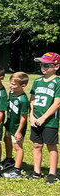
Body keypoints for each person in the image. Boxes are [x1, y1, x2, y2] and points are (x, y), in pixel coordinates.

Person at [28, 52, 60, 183]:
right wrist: (31, 115)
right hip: (35, 118)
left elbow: (57, 102)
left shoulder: (58, 82)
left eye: (47, 65)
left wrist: (44, 117)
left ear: (56, 66)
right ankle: (37, 171)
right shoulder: (37, 81)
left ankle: (52, 173)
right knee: (36, 145)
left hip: (50, 121)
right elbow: (32, 100)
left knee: (51, 146)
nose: (43, 67)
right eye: (42, 64)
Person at [2, 72, 30, 179]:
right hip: (9, 123)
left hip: (17, 126)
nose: (11, 86)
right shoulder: (11, 93)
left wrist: (19, 131)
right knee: (6, 139)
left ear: (23, 86)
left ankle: (17, 170)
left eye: (14, 84)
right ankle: (9, 159)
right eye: (10, 83)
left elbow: (24, 117)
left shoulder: (23, 100)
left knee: (18, 146)